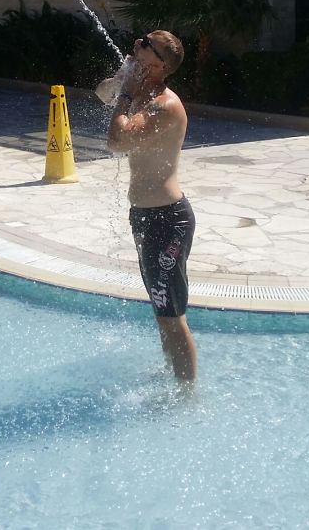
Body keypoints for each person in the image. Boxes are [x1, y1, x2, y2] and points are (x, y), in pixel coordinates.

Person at [100, 30, 197, 382]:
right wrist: (121, 80)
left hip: (167, 219)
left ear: (160, 64)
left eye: (145, 43)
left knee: (172, 314)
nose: (137, 43)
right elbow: (102, 95)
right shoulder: (142, 92)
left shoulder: (165, 106)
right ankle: (174, 377)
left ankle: (186, 393)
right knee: (161, 309)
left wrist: (126, 93)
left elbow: (117, 141)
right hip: (144, 215)